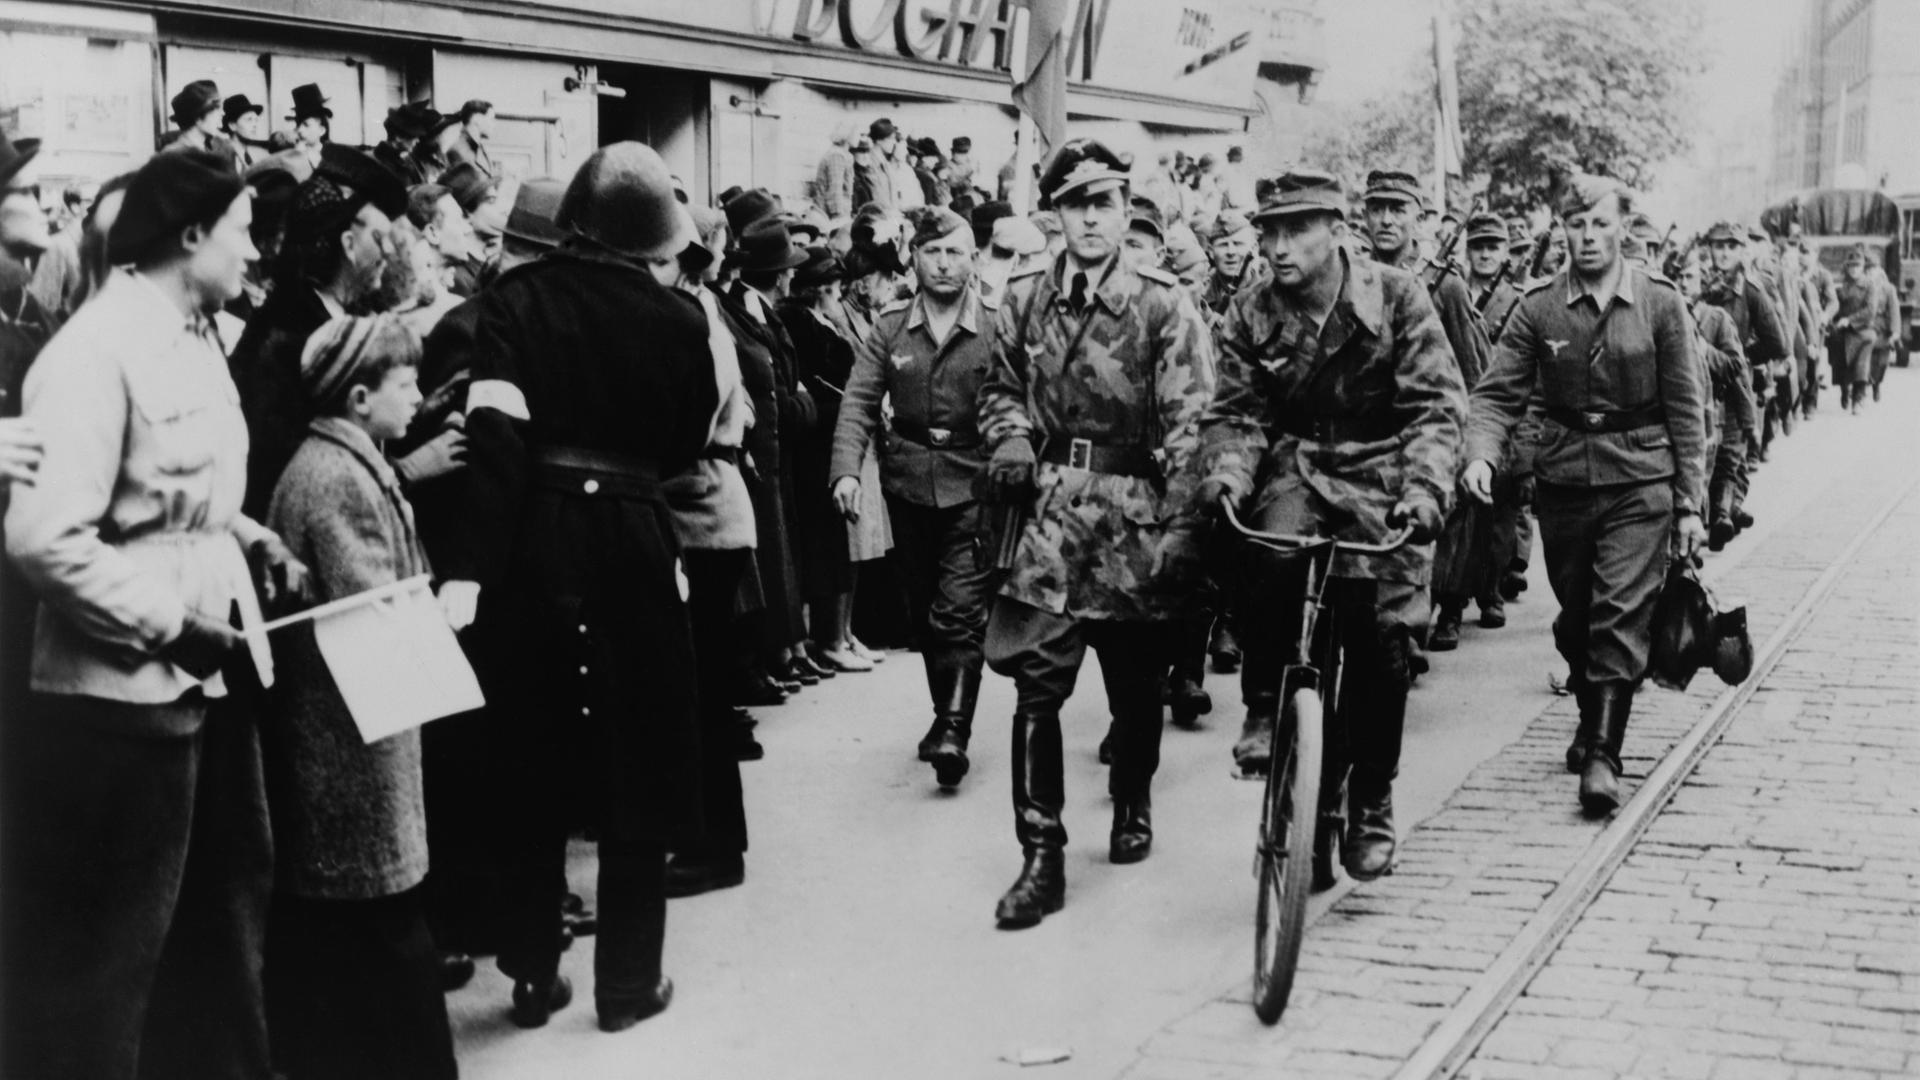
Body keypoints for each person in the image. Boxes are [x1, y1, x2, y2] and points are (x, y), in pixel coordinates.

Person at [2, 148, 309, 1080]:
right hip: (124, 700)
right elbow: (45, 537)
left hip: (206, 679)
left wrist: (249, 535)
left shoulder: (188, 332)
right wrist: (171, 624)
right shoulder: (96, 350)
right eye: (243, 232)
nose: (256, 252)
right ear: (188, 236)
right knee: (118, 957)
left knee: (226, 913)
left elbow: (176, 493)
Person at [438, 143, 715, 1032]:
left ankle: (530, 971)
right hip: (635, 540)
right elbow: (685, 445)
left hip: (532, 542)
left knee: (530, 752)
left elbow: (495, 441)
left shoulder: (513, 303)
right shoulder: (679, 318)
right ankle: (629, 985)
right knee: (642, 755)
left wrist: (472, 571)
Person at [1198, 170, 1464, 880]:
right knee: (1269, 552)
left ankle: (1372, 794)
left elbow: (1437, 408)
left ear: (1337, 230)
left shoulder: (1399, 297)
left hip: (1385, 471)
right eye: (1270, 232)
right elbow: (1236, 412)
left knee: (1384, 642)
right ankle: (1264, 706)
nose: (1279, 247)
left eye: (1297, 230)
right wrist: (1227, 469)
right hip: (1299, 461)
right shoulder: (1253, 307)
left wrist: (1426, 488)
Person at [976, 139, 1215, 928]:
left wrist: (1184, 526)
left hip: (1132, 518)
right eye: (1075, 205)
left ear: (1124, 212)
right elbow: (1000, 385)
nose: (1089, 219)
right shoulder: (1023, 297)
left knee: (1135, 682)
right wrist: (1010, 434)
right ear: (1055, 215)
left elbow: (1192, 425)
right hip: (1045, 516)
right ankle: (1039, 854)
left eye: (1104, 203)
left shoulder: (1162, 303)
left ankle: (1133, 796)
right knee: (1035, 685)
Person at [1462, 176, 1707, 815]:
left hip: (1642, 481)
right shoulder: (1539, 308)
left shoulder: (1660, 303)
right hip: (1565, 480)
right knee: (1576, 616)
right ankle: (1589, 713)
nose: (1588, 237)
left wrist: (1689, 503)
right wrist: (1482, 453)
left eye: (1600, 224)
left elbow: (1687, 409)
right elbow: (1496, 393)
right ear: (1561, 229)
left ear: (1622, 225)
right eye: (1576, 225)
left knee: (1619, 613)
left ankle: (1603, 755)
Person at [261, 313, 456, 1080]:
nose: (419, 400)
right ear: (362, 395)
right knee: (381, 921)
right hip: (349, 737)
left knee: (368, 923)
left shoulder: (344, 462)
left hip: (356, 731)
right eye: (407, 385)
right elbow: (370, 605)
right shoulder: (336, 477)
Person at [830, 207, 997, 788]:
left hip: (976, 481)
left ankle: (954, 726)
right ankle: (943, 712)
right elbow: (857, 400)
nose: (944, 263)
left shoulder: (999, 325)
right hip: (907, 482)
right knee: (923, 613)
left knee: (958, 612)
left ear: (973, 259)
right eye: (933, 252)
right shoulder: (891, 326)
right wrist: (846, 472)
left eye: (955, 251)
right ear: (916, 259)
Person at [229, 144, 409, 519]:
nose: (390, 252)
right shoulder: (284, 334)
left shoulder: (341, 316)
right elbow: (282, 464)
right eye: (380, 238)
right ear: (347, 244)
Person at [1670, 247, 1753, 551]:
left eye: (1689, 277)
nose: (1681, 282)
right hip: (1676, 410)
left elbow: (1735, 365)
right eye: (1678, 276)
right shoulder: (1666, 314)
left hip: (1711, 412)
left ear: (1702, 283)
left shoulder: (1716, 318)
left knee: (1701, 479)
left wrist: (1704, 349)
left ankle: (1692, 549)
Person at [1830, 246, 1885, 415]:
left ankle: (1858, 399)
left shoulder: (1870, 285)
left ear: (1863, 267)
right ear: (1847, 267)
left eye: (1857, 266)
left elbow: (1870, 310)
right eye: (1851, 266)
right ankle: (1844, 390)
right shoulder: (1841, 285)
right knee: (1839, 363)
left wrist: (1850, 320)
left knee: (1861, 367)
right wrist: (1834, 321)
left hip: (1863, 331)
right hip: (1843, 332)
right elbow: (1836, 306)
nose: (1854, 269)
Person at [163, 79, 242, 173]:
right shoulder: (172, 155)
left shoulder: (221, 147)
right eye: (217, 108)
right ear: (198, 116)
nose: (223, 113)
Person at [373, 101, 441, 187]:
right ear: (398, 137)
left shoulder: (405, 160)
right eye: (413, 137)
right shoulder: (380, 163)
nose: (417, 141)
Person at [446, 99, 498, 178]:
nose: (494, 124)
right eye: (491, 119)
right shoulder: (457, 150)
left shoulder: (479, 148)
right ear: (477, 118)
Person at [289, 83, 333, 171]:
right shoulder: (292, 155)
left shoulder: (331, 157)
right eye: (298, 125)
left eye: (306, 125)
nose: (300, 130)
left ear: (321, 130)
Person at [815, 127, 855, 221]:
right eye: (857, 133)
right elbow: (835, 188)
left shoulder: (844, 154)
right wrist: (838, 216)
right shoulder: (836, 155)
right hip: (832, 213)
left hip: (842, 210)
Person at [223, 94, 272, 170]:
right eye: (249, 120)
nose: (255, 125)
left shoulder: (260, 153)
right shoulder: (223, 155)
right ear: (232, 125)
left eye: (256, 120)